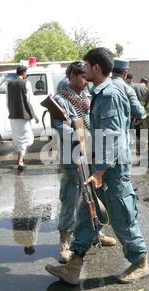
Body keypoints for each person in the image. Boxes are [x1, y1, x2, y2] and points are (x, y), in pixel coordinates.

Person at [45, 47, 149, 285]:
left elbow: (112, 136)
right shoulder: (100, 92)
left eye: (87, 66)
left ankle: (141, 261)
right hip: (99, 167)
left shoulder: (110, 94)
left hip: (112, 170)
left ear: (96, 68)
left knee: (122, 217)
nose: (84, 70)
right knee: (88, 215)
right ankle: (73, 267)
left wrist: (100, 171)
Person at [53, 61, 116, 263]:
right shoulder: (60, 99)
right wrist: (78, 137)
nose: (85, 79)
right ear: (71, 76)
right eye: (81, 76)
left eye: (85, 76)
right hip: (73, 154)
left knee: (94, 193)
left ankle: (95, 232)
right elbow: (60, 126)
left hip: (91, 152)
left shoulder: (87, 96)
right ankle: (65, 241)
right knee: (71, 197)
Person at [7, 66, 39, 170]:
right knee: (25, 138)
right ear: (24, 73)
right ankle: (20, 161)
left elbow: (7, 101)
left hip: (13, 116)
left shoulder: (9, 84)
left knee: (18, 138)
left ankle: (20, 158)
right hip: (23, 116)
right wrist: (35, 115)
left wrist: (11, 112)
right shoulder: (26, 83)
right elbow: (30, 101)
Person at [111, 58, 147, 128]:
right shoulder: (127, 89)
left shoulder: (100, 86)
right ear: (125, 73)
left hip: (99, 133)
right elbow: (139, 112)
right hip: (119, 130)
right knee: (140, 137)